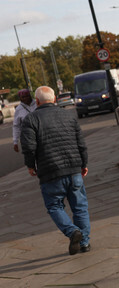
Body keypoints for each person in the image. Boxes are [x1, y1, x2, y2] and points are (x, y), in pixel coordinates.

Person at [21, 86, 91, 255]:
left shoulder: (31, 119)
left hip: (50, 170)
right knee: (80, 207)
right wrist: (84, 164)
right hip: (74, 169)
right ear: (54, 99)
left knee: (54, 206)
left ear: (37, 101)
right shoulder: (68, 115)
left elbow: (29, 147)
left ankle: (72, 231)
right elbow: (81, 143)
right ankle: (84, 243)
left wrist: (31, 165)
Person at [12, 89, 36, 153]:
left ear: (30, 96)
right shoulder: (18, 109)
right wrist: (15, 142)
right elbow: (16, 126)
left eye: (27, 96)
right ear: (20, 98)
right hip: (28, 138)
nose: (26, 98)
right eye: (23, 97)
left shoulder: (37, 103)